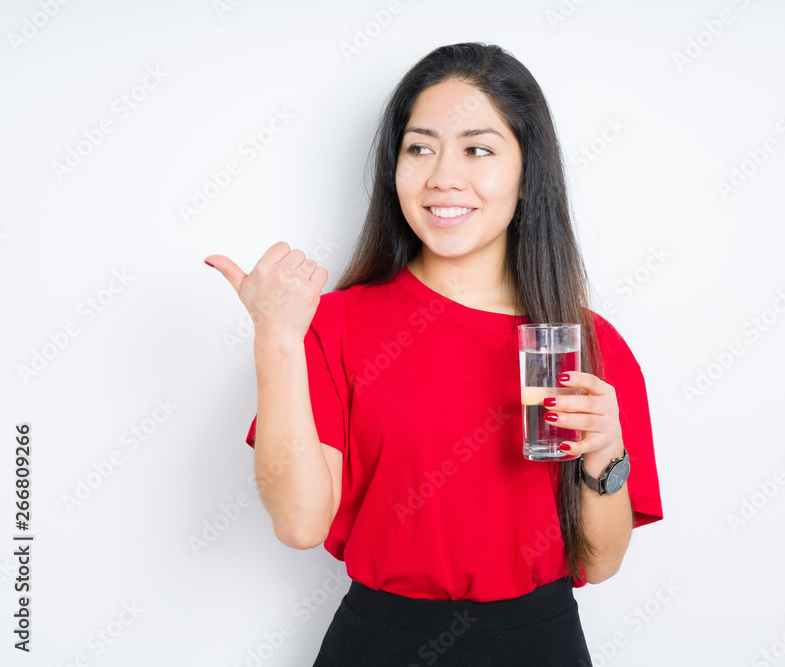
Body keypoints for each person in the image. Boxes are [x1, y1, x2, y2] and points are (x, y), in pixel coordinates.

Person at [206, 42, 662, 666]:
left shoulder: (585, 345)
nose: (443, 175)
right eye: (420, 147)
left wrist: (606, 452)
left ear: (529, 175)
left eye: (478, 149)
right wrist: (277, 339)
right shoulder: (333, 325)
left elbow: (600, 562)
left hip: (542, 644)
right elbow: (300, 524)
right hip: (380, 645)